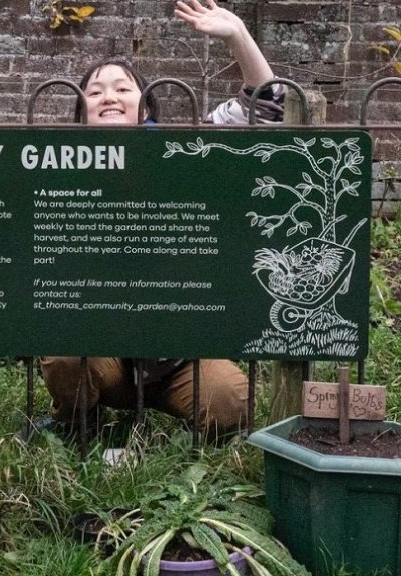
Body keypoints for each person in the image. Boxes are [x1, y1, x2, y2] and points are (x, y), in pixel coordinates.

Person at [41, 0, 285, 438]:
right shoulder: (56, 172)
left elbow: (264, 109)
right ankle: (80, 421)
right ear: (81, 115)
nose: (109, 97)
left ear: (147, 108)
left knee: (227, 401)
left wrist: (238, 37)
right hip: (102, 350)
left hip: (181, 354)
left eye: (122, 88)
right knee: (64, 357)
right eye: (95, 93)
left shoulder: (187, 153)